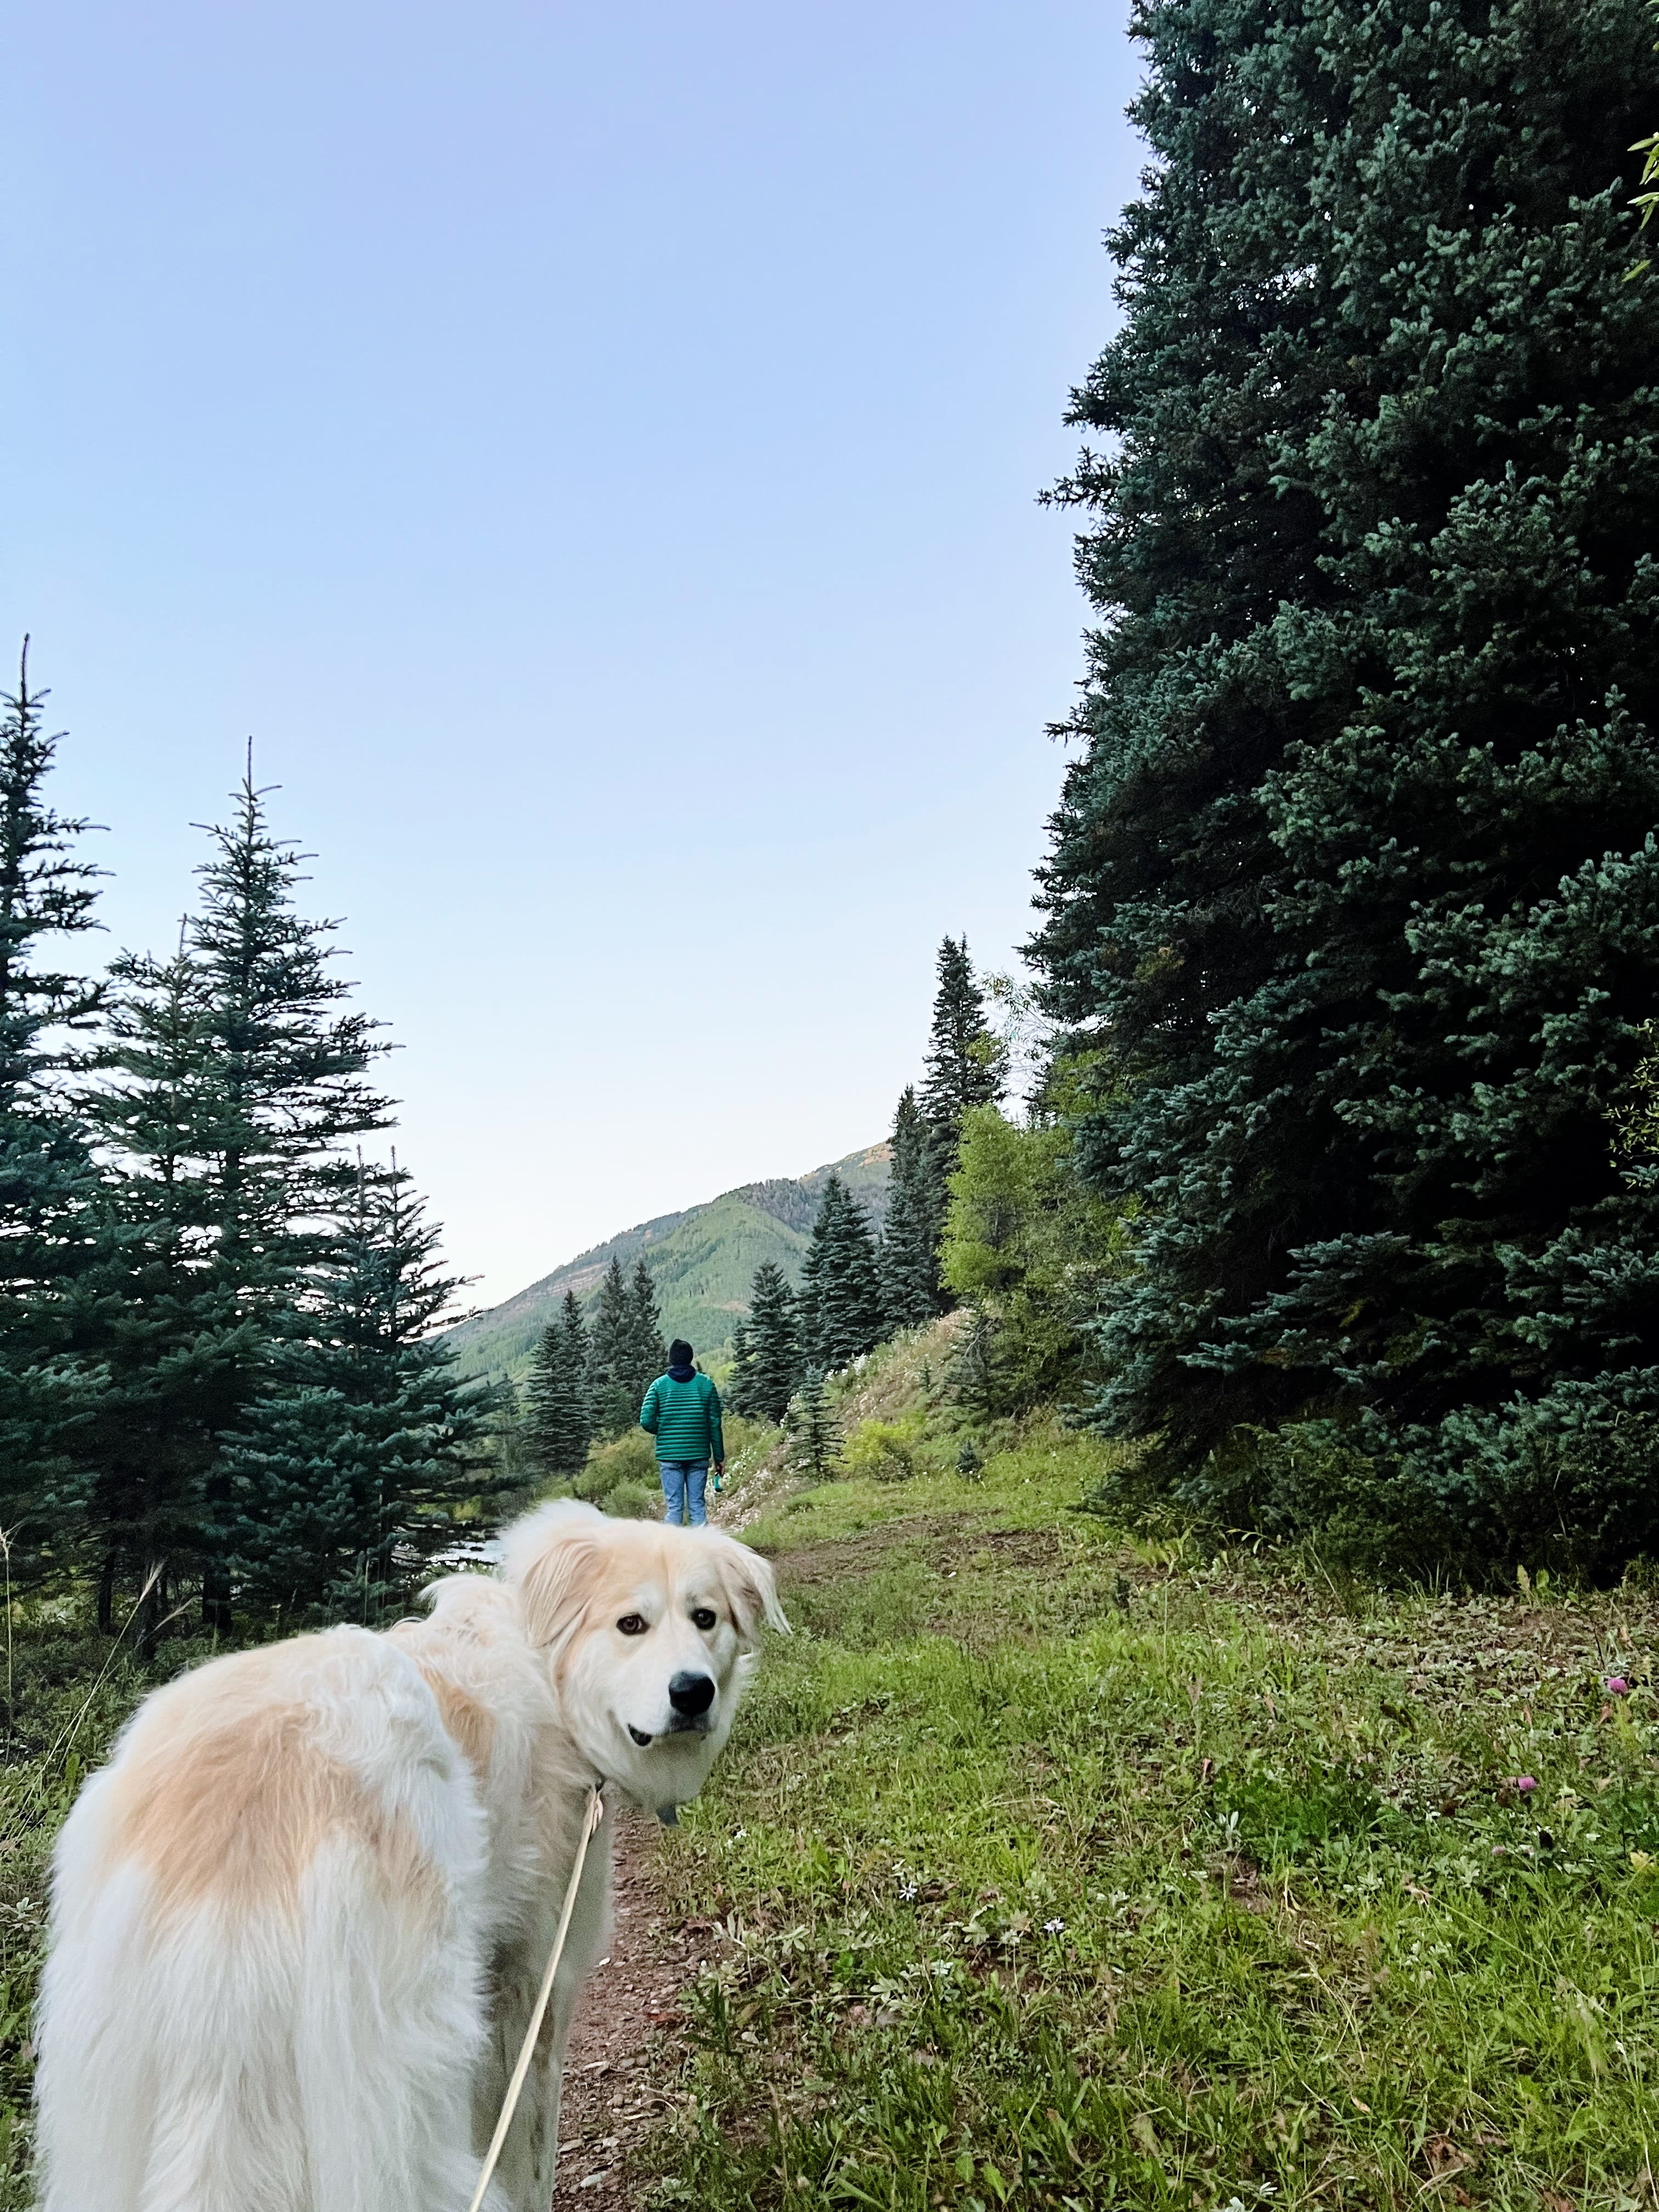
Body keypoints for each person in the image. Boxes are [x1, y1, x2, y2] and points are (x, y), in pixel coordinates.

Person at [639, 1339, 725, 1527]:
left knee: (675, 1507)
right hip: (698, 1455)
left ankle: (671, 1554)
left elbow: (646, 1420)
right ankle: (704, 1553)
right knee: (697, 1505)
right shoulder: (706, 1385)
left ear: (671, 1359)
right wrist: (720, 1458)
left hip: (670, 1456)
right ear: (690, 1358)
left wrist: (663, 1430)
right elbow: (715, 1424)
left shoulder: (659, 1386)